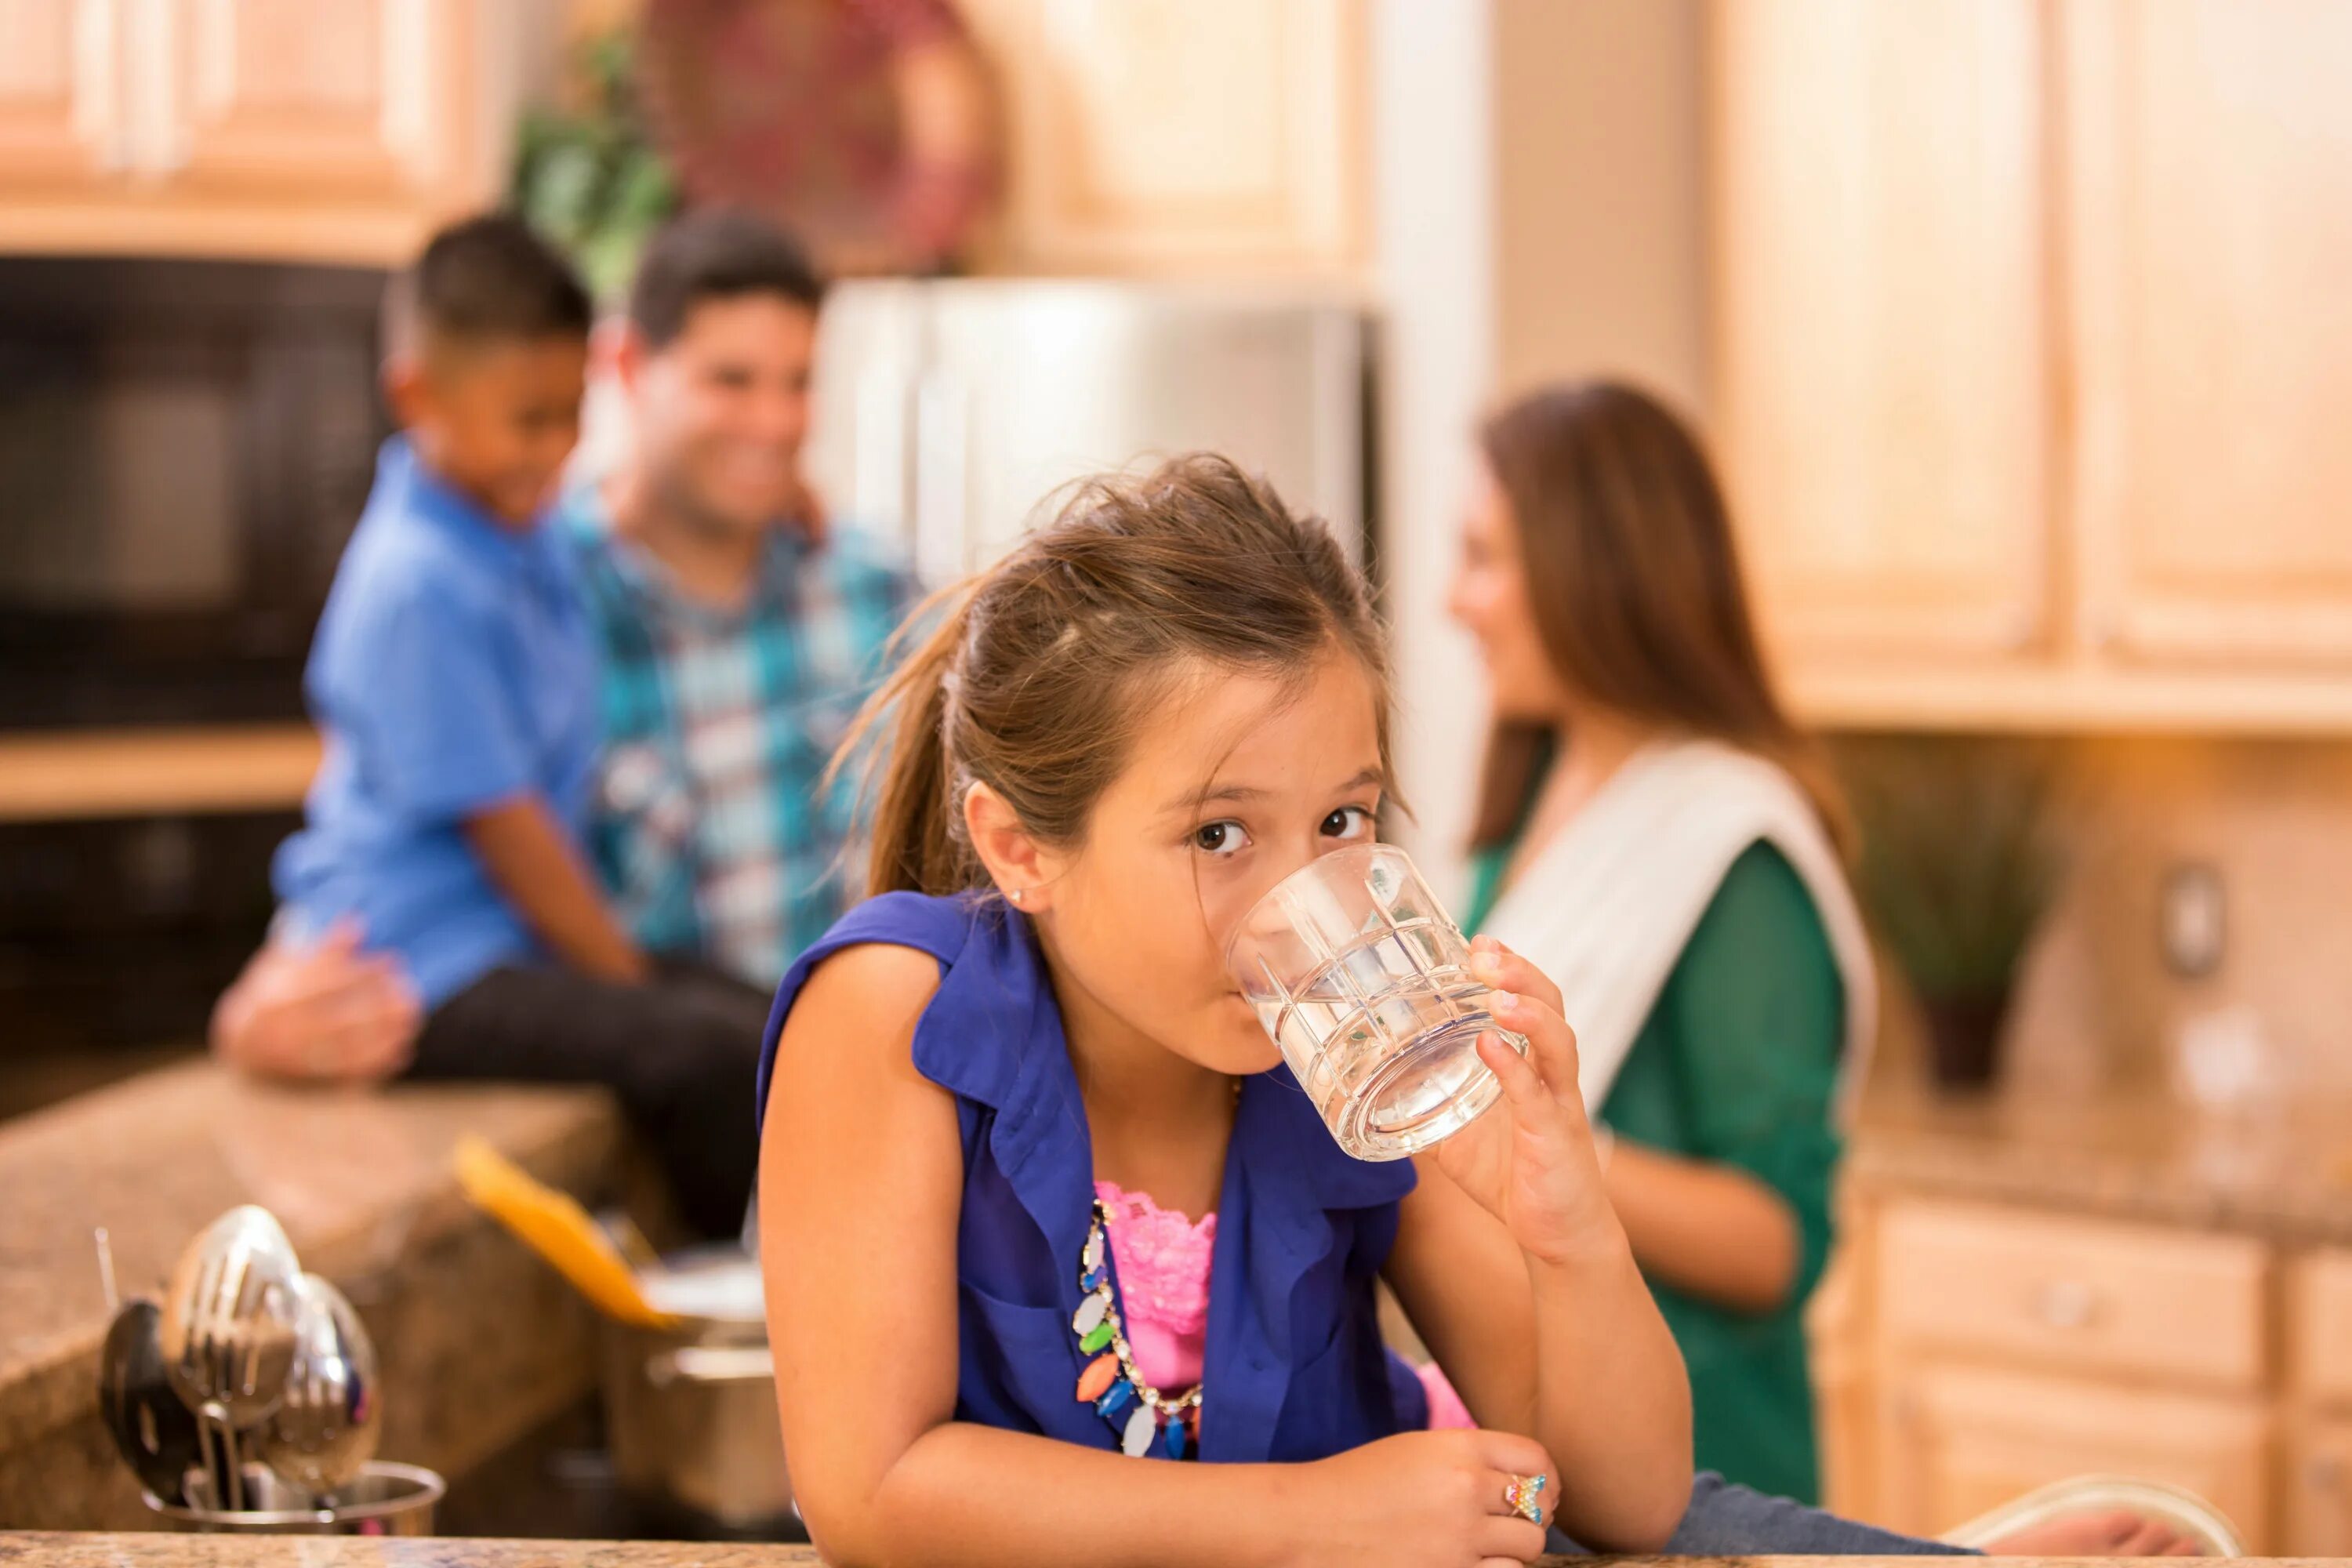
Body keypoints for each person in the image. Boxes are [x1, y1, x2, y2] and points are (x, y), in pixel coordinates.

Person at [756, 453, 1696, 1567]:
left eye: (1343, 822)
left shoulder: (1349, 1046)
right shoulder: (894, 1014)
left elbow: (1625, 1505)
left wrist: (1569, 1229)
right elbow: (872, 1492)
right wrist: (1315, 1522)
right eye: (1218, 836)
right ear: (1020, 850)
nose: (1305, 913)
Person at [213, 212, 916, 1171]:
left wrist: (775, 487)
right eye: (732, 382)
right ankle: (746, 1273)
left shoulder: (520, 523)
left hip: (517, 949)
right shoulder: (428, 579)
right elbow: (509, 835)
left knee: (771, 1015)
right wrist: (629, 982)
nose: (773, 422)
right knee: (707, 1049)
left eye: (795, 386)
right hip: (421, 968)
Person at [1444, 379, 1867, 1501]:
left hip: (1703, 1461)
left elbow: (1775, 1241)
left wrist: (1556, 1152)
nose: (1454, 601)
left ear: (1596, 570)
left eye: (1484, 557)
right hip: (1540, 1443)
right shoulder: (1532, 788)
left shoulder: (1737, 852)